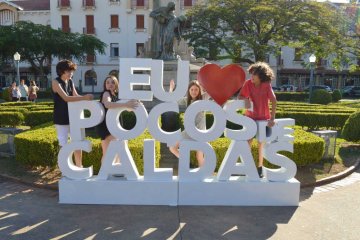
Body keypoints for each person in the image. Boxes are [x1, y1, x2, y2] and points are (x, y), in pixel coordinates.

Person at [238, 62, 277, 178]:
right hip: (249, 117)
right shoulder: (248, 84)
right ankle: (246, 166)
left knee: (261, 143)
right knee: (247, 142)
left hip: (263, 118)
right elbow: (240, 96)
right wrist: (244, 99)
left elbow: (274, 100)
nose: (252, 77)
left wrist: (272, 118)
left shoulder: (266, 85)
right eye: (251, 74)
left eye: (254, 74)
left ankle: (260, 167)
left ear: (261, 75)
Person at [52, 60, 93, 167]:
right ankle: (64, 168)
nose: (71, 73)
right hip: (61, 117)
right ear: (61, 71)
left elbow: (75, 95)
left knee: (77, 142)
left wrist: (86, 98)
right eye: (68, 71)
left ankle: (79, 166)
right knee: (63, 143)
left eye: (72, 71)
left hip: (73, 117)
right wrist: (84, 97)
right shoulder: (55, 82)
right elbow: (66, 98)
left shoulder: (70, 81)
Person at [96, 75, 140, 163]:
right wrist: (125, 105)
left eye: (112, 82)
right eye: (107, 82)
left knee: (115, 151)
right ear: (105, 85)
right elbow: (107, 104)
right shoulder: (106, 93)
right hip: (107, 126)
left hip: (114, 125)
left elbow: (126, 106)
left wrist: (134, 103)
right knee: (108, 153)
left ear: (116, 84)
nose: (110, 84)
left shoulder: (115, 95)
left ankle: (112, 172)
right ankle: (105, 173)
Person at [168, 79, 209, 167]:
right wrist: (171, 89)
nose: (194, 92)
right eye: (192, 90)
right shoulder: (186, 100)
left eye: (196, 89)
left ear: (199, 91)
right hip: (189, 132)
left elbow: (211, 91)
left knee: (199, 156)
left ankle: (205, 174)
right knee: (172, 147)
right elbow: (173, 99)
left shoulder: (203, 98)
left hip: (200, 133)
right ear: (189, 91)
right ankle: (185, 161)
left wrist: (203, 83)